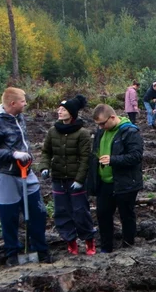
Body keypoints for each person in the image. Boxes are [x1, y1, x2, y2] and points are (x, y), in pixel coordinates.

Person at [0, 88, 50, 265]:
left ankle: (40, 249)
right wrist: (13, 154)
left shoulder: (19, 117)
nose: (25, 104)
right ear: (13, 103)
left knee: (37, 211)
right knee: (9, 216)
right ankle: (12, 253)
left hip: (26, 171)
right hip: (5, 174)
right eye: (23, 101)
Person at [42, 95, 97, 256]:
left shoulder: (82, 133)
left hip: (75, 180)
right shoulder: (53, 131)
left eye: (63, 109)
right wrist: (44, 167)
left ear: (71, 113)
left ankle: (88, 240)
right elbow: (46, 151)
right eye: (59, 108)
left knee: (80, 211)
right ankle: (70, 242)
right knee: (62, 211)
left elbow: (85, 158)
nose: (59, 111)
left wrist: (80, 179)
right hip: (58, 179)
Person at [87, 104, 144, 253]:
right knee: (103, 215)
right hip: (104, 183)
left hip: (125, 183)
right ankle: (106, 248)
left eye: (102, 123)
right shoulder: (100, 132)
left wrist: (113, 160)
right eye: (98, 124)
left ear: (112, 117)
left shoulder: (130, 132)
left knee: (126, 215)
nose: (100, 127)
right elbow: (95, 153)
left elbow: (136, 156)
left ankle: (128, 247)